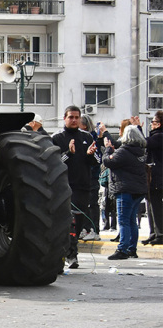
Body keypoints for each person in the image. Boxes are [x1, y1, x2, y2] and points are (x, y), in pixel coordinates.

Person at [51, 105, 99, 269]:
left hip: (82, 187)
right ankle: (69, 255)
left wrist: (90, 156)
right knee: (67, 222)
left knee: (78, 223)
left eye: (76, 117)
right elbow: (54, 163)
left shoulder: (87, 137)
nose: (74, 120)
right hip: (63, 187)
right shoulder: (57, 138)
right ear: (64, 118)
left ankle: (71, 250)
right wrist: (69, 153)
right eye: (70, 117)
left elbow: (96, 162)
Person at [102, 125, 148, 260]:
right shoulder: (140, 151)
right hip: (138, 190)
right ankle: (132, 249)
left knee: (123, 220)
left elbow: (108, 161)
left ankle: (122, 249)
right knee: (132, 220)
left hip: (125, 189)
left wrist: (107, 149)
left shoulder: (123, 152)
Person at [143, 110, 163, 245]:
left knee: (156, 205)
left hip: (157, 176)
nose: (151, 124)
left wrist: (137, 128)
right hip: (153, 176)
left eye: (154, 122)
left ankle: (160, 233)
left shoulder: (159, 136)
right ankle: (154, 232)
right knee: (150, 205)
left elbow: (143, 142)